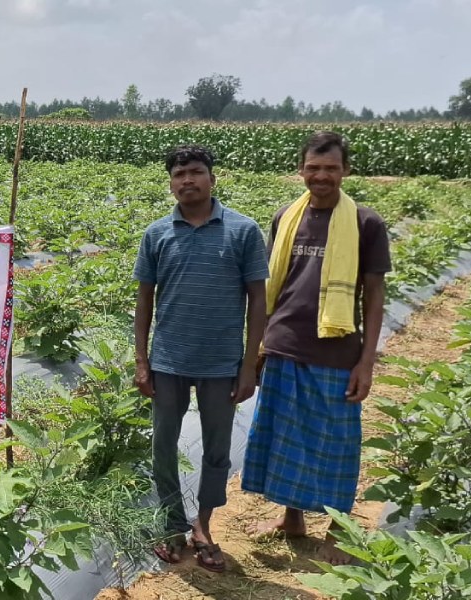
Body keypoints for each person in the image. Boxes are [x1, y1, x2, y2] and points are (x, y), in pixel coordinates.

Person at [242, 131, 391, 565]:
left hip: (337, 348)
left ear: (345, 170)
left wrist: (367, 361)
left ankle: (338, 531)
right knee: (285, 437)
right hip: (285, 344)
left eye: (330, 168)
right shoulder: (285, 217)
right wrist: (257, 348)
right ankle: (292, 519)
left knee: (334, 443)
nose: (321, 176)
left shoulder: (365, 223)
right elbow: (271, 285)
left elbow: (374, 294)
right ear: (301, 170)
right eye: (313, 167)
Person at [134, 144, 268, 572]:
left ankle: (204, 525)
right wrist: (141, 360)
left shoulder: (243, 230)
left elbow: (258, 302)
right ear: (171, 183)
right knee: (163, 447)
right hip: (168, 360)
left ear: (212, 178)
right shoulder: (157, 233)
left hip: (222, 362)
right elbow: (144, 301)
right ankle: (173, 523)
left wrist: (250, 365)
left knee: (217, 450)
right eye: (179, 175)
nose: (187, 180)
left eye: (195, 172)